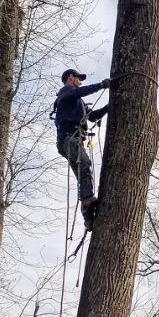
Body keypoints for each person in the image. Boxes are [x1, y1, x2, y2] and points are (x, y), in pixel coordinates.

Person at [53, 68, 110, 230]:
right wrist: (101, 85)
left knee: (83, 172)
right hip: (68, 138)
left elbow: (92, 116)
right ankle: (87, 201)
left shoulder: (78, 101)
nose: (80, 82)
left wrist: (108, 107)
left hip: (72, 139)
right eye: (79, 79)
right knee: (84, 165)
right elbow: (80, 92)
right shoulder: (66, 92)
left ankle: (88, 214)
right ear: (70, 78)